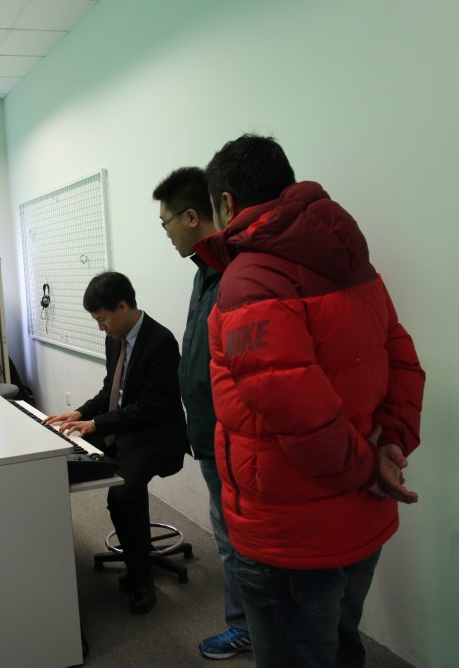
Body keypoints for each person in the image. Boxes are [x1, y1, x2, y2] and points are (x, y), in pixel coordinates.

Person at [195, 134, 425, 668]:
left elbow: (294, 407)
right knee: (341, 649)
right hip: (360, 515)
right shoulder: (352, 261)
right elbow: (403, 361)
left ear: (226, 202)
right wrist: (391, 444)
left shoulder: (250, 278)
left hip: (289, 535)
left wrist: (368, 467)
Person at [43, 271, 187, 615]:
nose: (100, 328)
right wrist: (79, 412)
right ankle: (135, 550)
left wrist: (96, 423)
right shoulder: (115, 338)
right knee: (70, 452)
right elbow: (111, 390)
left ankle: (141, 579)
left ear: (123, 307)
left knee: (122, 496)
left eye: (102, 319)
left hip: (154, 435)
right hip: (123, 427)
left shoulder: (161, 342)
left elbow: (150, 408)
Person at [152, 167, 251, 659]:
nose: (166, 233)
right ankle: (247, 624)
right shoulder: (205, 271)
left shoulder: (235, 273)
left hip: (229, 436)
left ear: (191, 216)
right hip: (210, 433)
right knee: (229, 535)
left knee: (236, 539)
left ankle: (244, 628)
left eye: (166, 222)